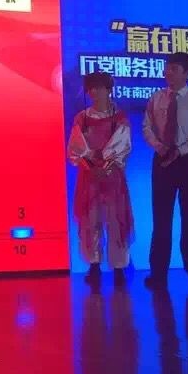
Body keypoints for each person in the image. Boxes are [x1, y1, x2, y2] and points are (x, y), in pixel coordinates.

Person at [141, 52, 188, 290]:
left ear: (187, 73)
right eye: (167, 68)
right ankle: (157, 272)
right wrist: (161, 147)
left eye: (174, 69)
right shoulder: (157, 98)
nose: (168, 72)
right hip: (162, 161)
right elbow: (147, 127)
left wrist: (181, 150)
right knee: (161, 218)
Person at [67, 71, 134, 284]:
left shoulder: (119, 117)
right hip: (89, 177)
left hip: (112, 176)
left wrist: (104, 165)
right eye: (91, 88)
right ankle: (94, 265)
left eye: (99, 88)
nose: (94, 92)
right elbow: (75, 147)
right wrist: (91, 165)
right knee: (90, 220)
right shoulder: (82, 118)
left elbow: (122, 146)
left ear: (109, 90)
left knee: (116, 221)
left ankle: (119, 267)